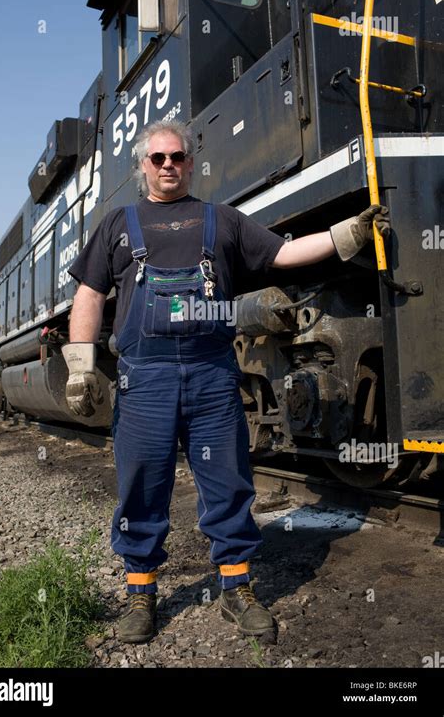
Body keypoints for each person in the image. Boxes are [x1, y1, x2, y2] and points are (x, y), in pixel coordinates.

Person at [62, 119, 389, 644]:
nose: (168, 165)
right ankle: (141, 593)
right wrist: (80, 367)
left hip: (213, 374)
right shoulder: (117, 225)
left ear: (191, 163)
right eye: (158, 158)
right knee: (141, 486)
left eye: (177, 157)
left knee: (229, 484)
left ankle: (236, 590)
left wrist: (344, 234)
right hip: (144, 379)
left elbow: (282, 254)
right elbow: (90, 295)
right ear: (143, 166)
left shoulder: (223, 221)